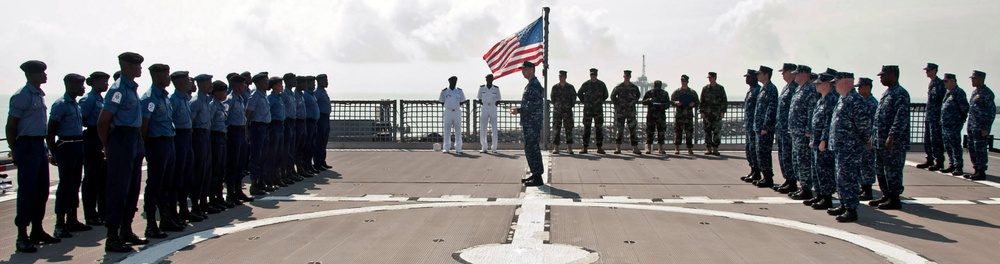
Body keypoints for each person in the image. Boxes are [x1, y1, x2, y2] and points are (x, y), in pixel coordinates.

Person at [98, 52, 149, 252]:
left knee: (132, 188)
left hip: (134, 140)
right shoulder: (118, 90)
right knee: (118, 189)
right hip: (121, 139)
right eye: (137, 65)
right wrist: (107, 146)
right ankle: (112, 236)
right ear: (127, 66)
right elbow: (103, 122)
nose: (140, 68)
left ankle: (126, 230)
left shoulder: (131, 89)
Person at [9, 60, 61, 253]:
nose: (45, 75)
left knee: (41, 190)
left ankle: (37, 230)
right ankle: (22, 235)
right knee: (27, 191)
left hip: (39, 145)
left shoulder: (39, 95)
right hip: (27, 145)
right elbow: (11, 126)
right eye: (41, 72)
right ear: (31, 74)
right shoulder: (22, 96)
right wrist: (15, 150)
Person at [47, 73, 92, 239]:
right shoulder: (60, 105)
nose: (83, 87)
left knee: (75, 184)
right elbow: (51, 130)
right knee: (65, 185)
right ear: (70, 85)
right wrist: (53, 152)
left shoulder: (76, 105)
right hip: (66, 146)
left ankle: (72, 219)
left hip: (77, 144)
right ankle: (60, 223)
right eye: (80, 85)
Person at [140, 63, 181, 238]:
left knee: (167, 184)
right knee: (155, 184)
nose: (168, 78)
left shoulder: (164, 97)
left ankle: (166, 218)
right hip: (157, 144)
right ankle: (151, 223)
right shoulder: (149, 98)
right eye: (165, 75)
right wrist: (146, 145)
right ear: (156, 76)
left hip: (168, 142)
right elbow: (144, 125)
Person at [826, 72, 869, 222]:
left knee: (850, 178)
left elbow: (864, 125)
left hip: (851, 148)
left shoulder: (854, 100)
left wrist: (861, 142)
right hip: (841, 147)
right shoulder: (842, 99)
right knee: (841, 178)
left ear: (845, 82)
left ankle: (851, 209)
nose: (834, 85)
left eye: (836, 82)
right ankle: (844, 204)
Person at [868, 65, 910, 210]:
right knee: (881, 169)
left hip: (893, 143)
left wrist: (892, 136)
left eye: (883, 75)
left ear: (892, 75)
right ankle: (886, 194)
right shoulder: (888, 93)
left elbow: (901, 117)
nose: (881, 78)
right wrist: (873, 138)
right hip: (880, 141)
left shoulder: (900, 94)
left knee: (893, 169)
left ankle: (894, 198)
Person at [805, 72, 839, 209]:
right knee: (817, 169)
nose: (816, 85)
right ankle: (819, 195)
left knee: (825, 170)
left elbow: (828, 123)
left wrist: (824, 139)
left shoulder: (831, 100)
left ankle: (826, 198)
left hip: (823, 142)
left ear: (827, 84)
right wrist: (813, 138)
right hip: (816, 140)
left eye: (819, 83)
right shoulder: (821, 99)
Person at [168, 71, 198, 227]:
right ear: (180, 83)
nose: (190, 83)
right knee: (177, 178)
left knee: (187, 176)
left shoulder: (186, 100)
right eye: (187, 81)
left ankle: (184, 210)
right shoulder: (173, 100)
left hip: (187, 138)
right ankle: (174, 212)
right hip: (178, 138)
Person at [80, 71, 110, 226]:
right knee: (91, 177)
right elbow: (81, 119)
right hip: (92, 136)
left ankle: (102, 212)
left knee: (103, 177)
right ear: (95, 82)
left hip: (100, 137)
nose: (106, 84)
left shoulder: (101, 99)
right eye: (103, 81)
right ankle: (90, 214)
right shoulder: (89, 100)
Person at [510, 61, 544, 186]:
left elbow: (533, 105)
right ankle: (535, 174)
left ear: (531, 69)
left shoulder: (534, 85)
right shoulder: (531, 84)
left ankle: (538, 177)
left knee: (532, 148)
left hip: (532, 123)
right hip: (529, 122)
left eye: (524, 69)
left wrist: (519, 110)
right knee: (529, 148)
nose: (522, 71)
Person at [786, 65, 818, 198]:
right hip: (796, 132)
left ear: (805, 74)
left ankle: (806, 189)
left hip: (803, 133)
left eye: (797, 74)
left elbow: (812, 111)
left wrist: (809, 131)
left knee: (804, 161)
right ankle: (802, 186)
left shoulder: (809, 90)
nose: (795, 76)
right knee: (797, 160)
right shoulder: (800, 89)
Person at [188, 74, 216, 218]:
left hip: (206, 135)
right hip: (198, 136)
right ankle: (196, 204)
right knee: (198, 171)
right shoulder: (196, 102)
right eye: (207, 83)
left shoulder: (206, 101)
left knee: (206, 171)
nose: (210, 85)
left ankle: (204, 202)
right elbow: (190, 123)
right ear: (200, 84)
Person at [225, 74, 253, 205]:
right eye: (243, 84)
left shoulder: (240, 99)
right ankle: (231, 193)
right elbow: (224, 119)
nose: (245, 86)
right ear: (236, 86)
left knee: (241, 164)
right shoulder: (229, 100)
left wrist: (246, 134)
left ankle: (238, 190)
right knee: (233, 164)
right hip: (233, 133)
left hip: (241, 132)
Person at [965, 70, 995, 180]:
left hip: (980, 127)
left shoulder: (987, 93)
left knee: (980, 149)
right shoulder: (974, 93)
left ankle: (981, 171)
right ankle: (976, 169)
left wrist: (985, 128)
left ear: (981, 79)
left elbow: (990, 112)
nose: (972, 80)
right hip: (972, 126)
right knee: (972, 148)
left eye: (974, 78)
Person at [916, 63, 946, 171]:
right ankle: (929, 159)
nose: (926, 72)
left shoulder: (940, 84)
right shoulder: (931, 84)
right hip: (930, 116)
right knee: (928, 138)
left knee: (936, 139)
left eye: (928, 70)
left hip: (936, 116)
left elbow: (943, 101)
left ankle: (939, 161)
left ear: (934, 70)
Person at [752, 66, 778, 188]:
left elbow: (770, 110)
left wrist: (765, 127)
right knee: (760, 153)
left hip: (764, 129)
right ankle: (764, 176)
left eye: (760, 74)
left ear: (766, 75)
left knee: (764, 153)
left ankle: (768, 178)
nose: (757, 76)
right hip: (759, 127)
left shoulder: (771, 89)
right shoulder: (763, 89)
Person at [247, 72, 272, 195]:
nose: (267, 83)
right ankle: (254, 183)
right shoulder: (255, 96)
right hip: (257, 128)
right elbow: (248, 114)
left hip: (265, 127)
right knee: (256, 156)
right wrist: (247, 131)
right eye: (265, 81)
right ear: (258, 83)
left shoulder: (263, 95)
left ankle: (262, 181)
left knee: (264, 155)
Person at [939, 73, 969, 176]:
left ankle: (958, 166)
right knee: (948, 145)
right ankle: (952, 164)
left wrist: (960, 121)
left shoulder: (959, 93)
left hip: (954, 125)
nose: (944, 84)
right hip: (946, 125)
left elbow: (964, 108)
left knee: (955, 145)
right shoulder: (948, 93)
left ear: (952, 81)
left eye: (946, 82)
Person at [774, 63, 799, 190]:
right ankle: (788, 179)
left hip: (789, 129)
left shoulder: (795, 88)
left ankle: (792, 181)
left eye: (784, 71)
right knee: (783, 155)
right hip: (782, 128)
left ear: (791, 72)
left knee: (789, 156)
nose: (782, 74)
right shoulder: (785, 88)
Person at [209, 80, 232, 212]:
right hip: (215, 138)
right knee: (216, 169)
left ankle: (219, 197)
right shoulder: (213, 106)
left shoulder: (221, 105)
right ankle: (213, 198)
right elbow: (209, 123)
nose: (225, 94)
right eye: (223, 91)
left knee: (221, 169)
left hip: (222, 137)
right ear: (217, 93)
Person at [577, 68, 608, 154]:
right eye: (591, 75)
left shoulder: (601, 85)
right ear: (590, 75)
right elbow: (579, 93)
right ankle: (585, 147)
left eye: (594, 75)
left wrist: (599, 101)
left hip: (598, 110)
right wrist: (585, 101)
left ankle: (599, 147)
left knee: (599, 128)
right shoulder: (586, 84)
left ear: (596, 75)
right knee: (587, 128)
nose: (593, 76)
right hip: (588, 110)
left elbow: (606, 94)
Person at [857, 77, 878, 201]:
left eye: (860, 87)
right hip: (861, 140)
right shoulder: (861, 102)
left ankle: (867, 190)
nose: (858, 89)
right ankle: (863, 187)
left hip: (868, 140)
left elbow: (875, 123)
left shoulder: (872, 103)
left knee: (867, 165)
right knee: (861, 164)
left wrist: (871, 139)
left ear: (868, 87)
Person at [611, 70, 641, 154]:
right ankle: (618, 147)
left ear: (630, 77)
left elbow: (638, 95)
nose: (626, 78)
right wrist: (618, 104)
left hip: (631, 111)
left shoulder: (634, 87)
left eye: (627, 76)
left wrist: (633, 101)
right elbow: (613, 96)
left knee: (633, 130)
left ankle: (635, 148)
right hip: (621, 111)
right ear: (623, 77)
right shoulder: (619, 87)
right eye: (625, 76)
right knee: (619, 129)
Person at [739, 69, 762, 183]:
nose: (747, 79)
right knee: (749, 149)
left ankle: (757, 172)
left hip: (754, 125)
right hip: (749, 125)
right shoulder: (751, 90)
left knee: (753, 149)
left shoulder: (757, 90)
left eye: (749, 77)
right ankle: (753, 170)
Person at [267, 77, 288, 189]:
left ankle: (277, 177)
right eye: (280, 84)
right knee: (273, 154)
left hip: (281, 126)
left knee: (280, 154)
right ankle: (270, 179)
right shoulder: (271, 98)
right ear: (274, 86)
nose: (282, 86)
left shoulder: (279, 98)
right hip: (274, 126)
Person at [699, 72, 727, 155]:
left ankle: (715, 148)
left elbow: (724, 101)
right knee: (707, 131)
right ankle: (708, 148)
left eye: (711, 77)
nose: (709, 79)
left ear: (715, 78)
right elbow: (702, 101)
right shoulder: (705, 88)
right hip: (707, 114)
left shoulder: (720, 88)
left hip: (717, 114)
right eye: (709, 78)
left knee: (716, 131)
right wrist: (702, 111)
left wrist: (722, 111)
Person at [672, 75, 699, 155]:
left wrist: (693, 104)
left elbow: (697, 102)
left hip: (688, 115)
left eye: (684, 81)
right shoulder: (677, 92)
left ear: (687, 82)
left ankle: (689, 148)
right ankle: (677, 148)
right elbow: (672, 101)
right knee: (678, 132)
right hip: (679, 115)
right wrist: (676, 103)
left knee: (689, 132)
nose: (683, 82)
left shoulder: (692, 92)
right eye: (682, 81)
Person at [551, 70, 577, 154]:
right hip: (557, 112)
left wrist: (569, 106)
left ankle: (569, 147)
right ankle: (556, 147)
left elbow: (574, 98)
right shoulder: (555, 87)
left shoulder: (570, 87)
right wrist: (557, 105)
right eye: (559, 76)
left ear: (565, 77)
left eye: (562, 76)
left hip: (567, 111)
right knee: (556, 129)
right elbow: (552, 98)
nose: (560, 77)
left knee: (568, 129)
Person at [439, 76, 466, 153]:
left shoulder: (459, 91)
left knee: (458, 130)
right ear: (449, 82)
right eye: (452, 81)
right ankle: (446, 147)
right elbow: (441, 101)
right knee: (447, 130)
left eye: (455, 81)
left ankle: (458, 147)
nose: (454, 83)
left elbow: (462, 101)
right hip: (448, 111)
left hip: (457, 111)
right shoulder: (444, 91)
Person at [642, 80, 669, 154]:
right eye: (656, 86)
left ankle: (661, 148)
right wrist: (649, 100)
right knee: (649, 131)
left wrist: (662, 105)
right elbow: (643, 102)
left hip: (661, 115)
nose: (657, 87)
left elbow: (668, 105)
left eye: (658, 86)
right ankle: (649, 148)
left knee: (661, 132)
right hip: (651, 115)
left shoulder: (664, 94)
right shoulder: (649, 93)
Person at [313, 74, 333, 170]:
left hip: (326, 118)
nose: (327, 82)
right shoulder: (317, 93)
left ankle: (322, 160)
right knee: (319, 141)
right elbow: (315, 105)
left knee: (324, 141)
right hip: (321, 118)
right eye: (325, 80)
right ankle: (317, 162)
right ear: (319, 81)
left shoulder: (323, 92)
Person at [478, 74, 501, 153]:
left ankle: (494, 148)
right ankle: (484, 147)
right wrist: (485, 104)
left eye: (490, 78)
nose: (489, 80)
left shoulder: (496, 89)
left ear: (492, 79)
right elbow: (479, 99)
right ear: (486, 79)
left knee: (494, 128)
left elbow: (498, 99)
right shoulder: (481, 88)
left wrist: (493, 105)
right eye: (487, 78)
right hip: (484, 107)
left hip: (492, 108)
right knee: (483, 128)